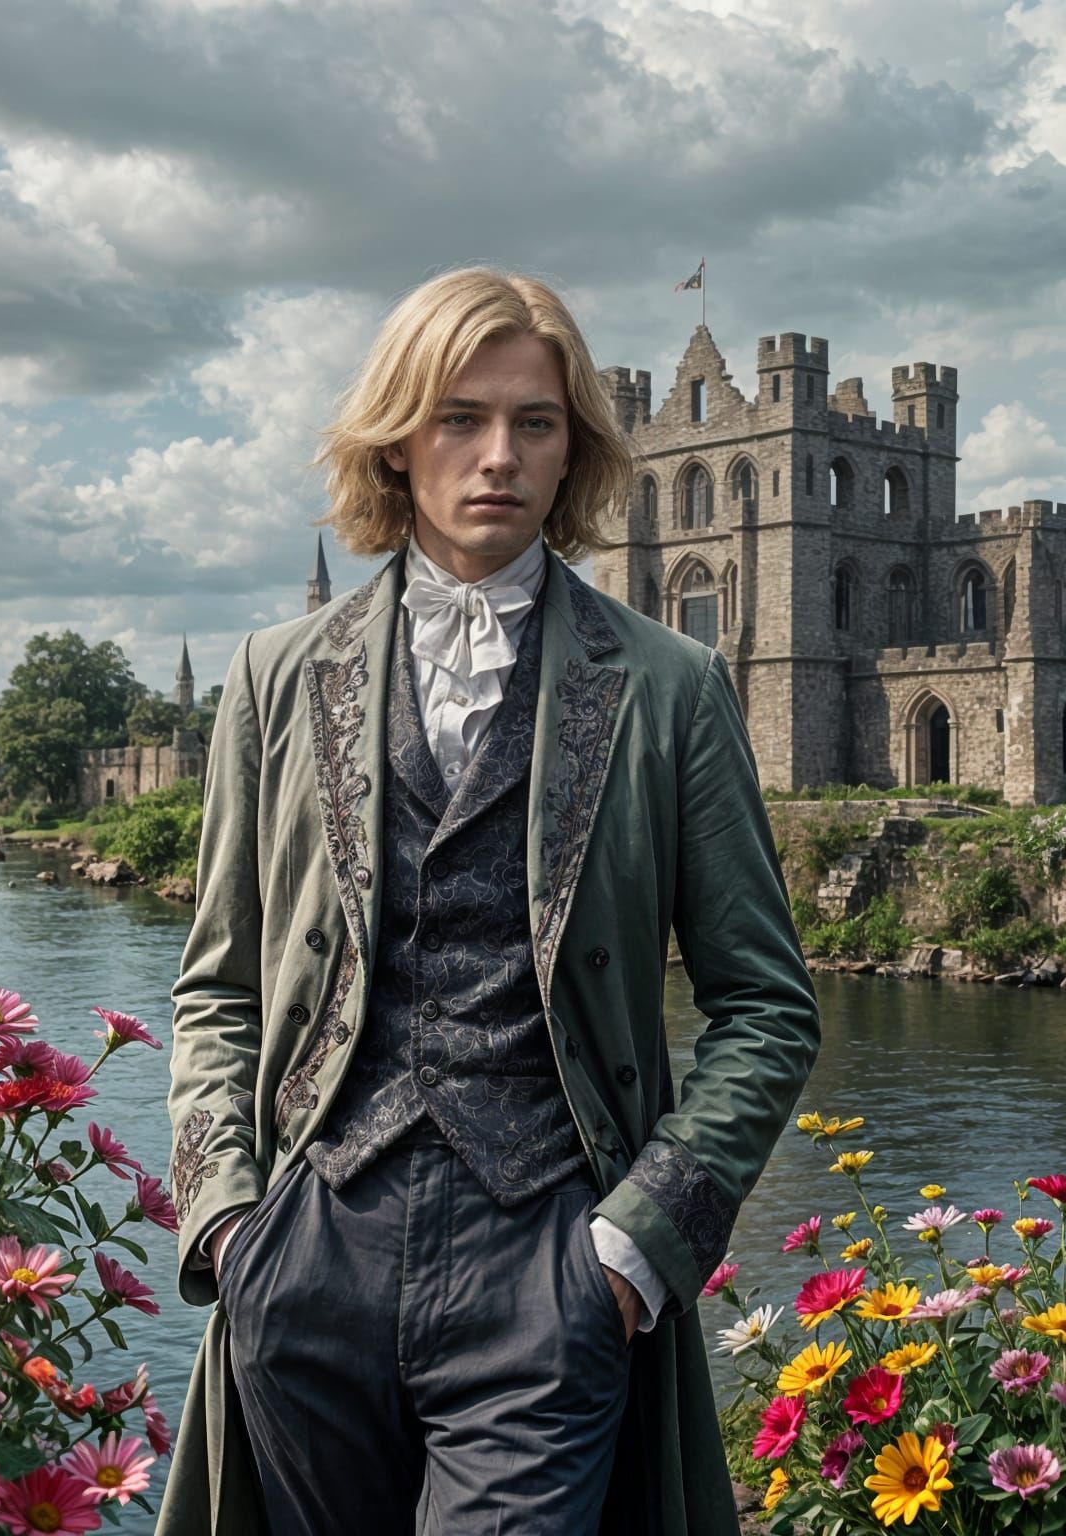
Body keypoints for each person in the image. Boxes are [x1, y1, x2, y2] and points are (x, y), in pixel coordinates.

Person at [156, 267, 820, 1536]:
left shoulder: (672, 686)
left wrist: (636, 1246)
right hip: (311, 1254)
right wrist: (230, 1224)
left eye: (537, 422)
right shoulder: (276, 677)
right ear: (397, 440)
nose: (498, 456)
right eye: (461, 418)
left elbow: (768, 1007)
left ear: (576, 451)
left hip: (553, 1267)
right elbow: (218, 986)